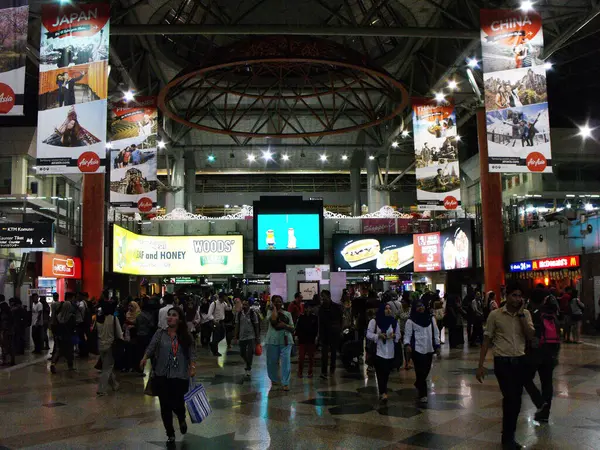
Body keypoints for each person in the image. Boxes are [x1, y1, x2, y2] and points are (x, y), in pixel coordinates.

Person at [476, 284, 535, 450]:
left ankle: (509, 436)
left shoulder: (526, 314)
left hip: (520, 361)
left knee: (516, 402)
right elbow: (486, 339)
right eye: (514, 295)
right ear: (506, 296)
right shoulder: (495, 315)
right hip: (503, 362)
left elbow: (530, 335)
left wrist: (522, 315)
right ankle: (507, 439)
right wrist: (480, 365)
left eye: (519, 296)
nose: (517, 299)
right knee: (511, 399)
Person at [141, 307, 196, 446]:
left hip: (180, 375)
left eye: (174, 315)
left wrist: (192, 366)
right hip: (162, 374)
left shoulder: (185, 335)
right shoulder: (160, 333)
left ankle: (181, 418)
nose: (170, 317)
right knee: (165, 405)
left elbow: (191, 353)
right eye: (169, 315)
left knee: (177, 402)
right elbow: (151, 347)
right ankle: (170, 433)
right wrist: (145, 357)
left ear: (180, 319)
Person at [523, 293, 561, 422]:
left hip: (536, 353)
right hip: (550, 353)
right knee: (547, 383)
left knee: (525, 378)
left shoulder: (534, 314)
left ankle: (539, 402)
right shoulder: (552, 316)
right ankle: (545, 414)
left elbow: (529, 334)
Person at [404, 299, 441, 402]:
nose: (421, 308)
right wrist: (407, 344)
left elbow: (436, 332)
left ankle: (418, 383)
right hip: (417, 350)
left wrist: (437, 345)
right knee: (420, 371)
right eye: (418, 306)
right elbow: (407, 335)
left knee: (426, 370)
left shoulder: (430, 319)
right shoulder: (410, 321)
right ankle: (423, 394)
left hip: (429, 349)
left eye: (422, 306)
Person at [367, 304, 401, 402]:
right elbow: (369, 334)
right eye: (386, 309)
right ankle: (383, 392)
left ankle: (383, 390)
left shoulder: (394, 322)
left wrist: (394, 336)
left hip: (390, 351)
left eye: (390, 308)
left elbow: (398, 335)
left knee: (386, 373)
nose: (388, 310)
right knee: (380, 372)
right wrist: (378, 336)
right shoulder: (375, 321)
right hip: (378, 351)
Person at [265, 295, 294, 391]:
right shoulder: (270, 312)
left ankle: (285, 382)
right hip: (272, 341)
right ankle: (273, 379)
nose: (278, 303)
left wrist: (285, 325)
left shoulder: (288, 314)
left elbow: (292, 328)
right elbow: (273, 321)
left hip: (286, 341)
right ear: (273, 303)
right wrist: (273, 309)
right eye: (276, 302)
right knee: (272, 362)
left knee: (286, 362)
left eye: (280, 301)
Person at [96, 300, 123, 396]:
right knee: (107, 368)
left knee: (107, 366)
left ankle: (114, 384)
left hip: (100, 345)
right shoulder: (114, 319)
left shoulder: (98, 319)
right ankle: (101, 389)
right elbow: (119, 334)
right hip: (110, 346)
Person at [318, 290, 343, 379]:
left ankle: (332, 369)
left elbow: (340, 320)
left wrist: (340, 330)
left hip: (334, 333)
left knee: (333, 353)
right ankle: (323, 371)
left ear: (328, 296)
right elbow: (320, 322)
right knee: (324, 354)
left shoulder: (336, 307)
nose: (322, 298)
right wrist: (319, 335)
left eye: (323, 296)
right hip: (324, 334)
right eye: (321, 297)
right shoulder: (321, 308)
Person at [50, 293, 77, 374]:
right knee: (70, 351)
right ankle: (70, 366)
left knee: (58, 350)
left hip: (59, 335)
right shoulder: (71, 317)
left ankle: (53, 363)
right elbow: (73, 327)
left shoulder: (59, 316)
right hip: (68, 336)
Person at [234, 299, 260, 378]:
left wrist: (257, 337)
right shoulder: (239, 314)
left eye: (246, 305)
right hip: (242, 337)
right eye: (243, 304)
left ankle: (248, 368)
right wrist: (235, 337)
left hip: (251, 336)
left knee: (250, 352)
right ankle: (248, 363)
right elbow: (237, 325)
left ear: (249, 306)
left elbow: (256, 326)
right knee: (242, 353)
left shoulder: (253, 314)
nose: (244, 306)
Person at [295, 300, 319, 378]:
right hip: (302, 340)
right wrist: (297, 336)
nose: (307, 309)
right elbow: (298, 328)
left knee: (311, 358)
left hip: (311, 340)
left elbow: (316, 329)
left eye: (309, 308)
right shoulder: (301, 317)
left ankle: (310, 372)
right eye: (306, 308)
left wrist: (316, 337)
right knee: (301, 357)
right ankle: (300, 371)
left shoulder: (315, 318)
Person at [136, 298, 156, 375]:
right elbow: (151, 325)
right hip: (147, 335)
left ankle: (140, 369)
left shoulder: (139, 315)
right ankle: (153, 369)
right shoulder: (149, 316)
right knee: (150, 352)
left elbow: (136, 325)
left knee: (140, 353)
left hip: (139, 335)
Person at [397, 295, 412, 369]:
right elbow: (397, 317)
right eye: (402, 302)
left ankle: (409, 361)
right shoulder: (400, 309)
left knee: (410, 346)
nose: (402, 303)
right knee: (405, 346)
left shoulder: (411, 310)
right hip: (402, 330)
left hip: (410, 330)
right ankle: (407, 362)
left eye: (403, 302)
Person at [0, 295, 15, 366]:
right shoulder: (8, 307)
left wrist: (3, 329)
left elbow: (3, 319)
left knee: (4, 345)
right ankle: (12, 360)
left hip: (4, 329)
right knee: (10, 344)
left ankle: (4, 360)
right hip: (11, 329)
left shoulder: (1, 307)